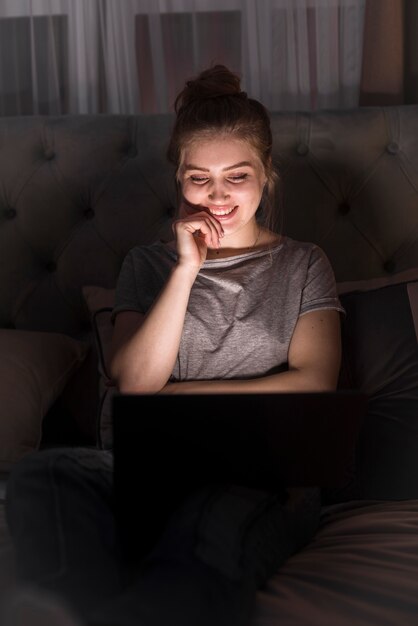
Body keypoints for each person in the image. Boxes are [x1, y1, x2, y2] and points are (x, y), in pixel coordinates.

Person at [4, 65, 344, 626]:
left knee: (205, 532)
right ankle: (62, 610)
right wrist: (186, 271)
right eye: (197, 178)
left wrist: (179, 397)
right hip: (148, 471)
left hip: (260, 479)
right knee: (45, 476)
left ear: (266, 175)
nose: (216, 196)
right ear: (178, 180)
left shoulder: (304, 265)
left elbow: (313, 382)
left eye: (237, 176)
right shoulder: (147, 264)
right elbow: (135, 380)